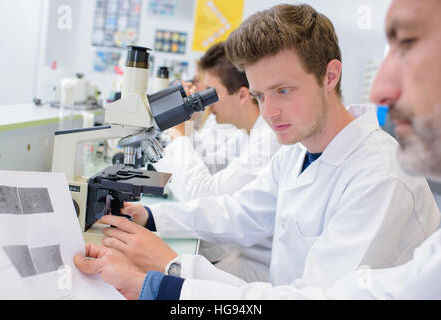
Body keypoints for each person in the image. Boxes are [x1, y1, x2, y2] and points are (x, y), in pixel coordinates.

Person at [74, 3, 440, 300]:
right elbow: (243, 212)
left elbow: (318, 296)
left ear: (330, 76)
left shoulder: (379, 175)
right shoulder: (298, 149)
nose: (269, 112)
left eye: (284, 90)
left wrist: (171, 275)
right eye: (262, 95)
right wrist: (151, 218)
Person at [143, 42, 281, 282]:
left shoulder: (267, 142)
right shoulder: (247, 133)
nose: (206, 103)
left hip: (256, 268)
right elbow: (208, 164)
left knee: (154, 276)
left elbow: (203, 194)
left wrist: (178, 134)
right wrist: (182, 123)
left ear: (241, 94)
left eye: (210, 92)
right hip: (239, 251)